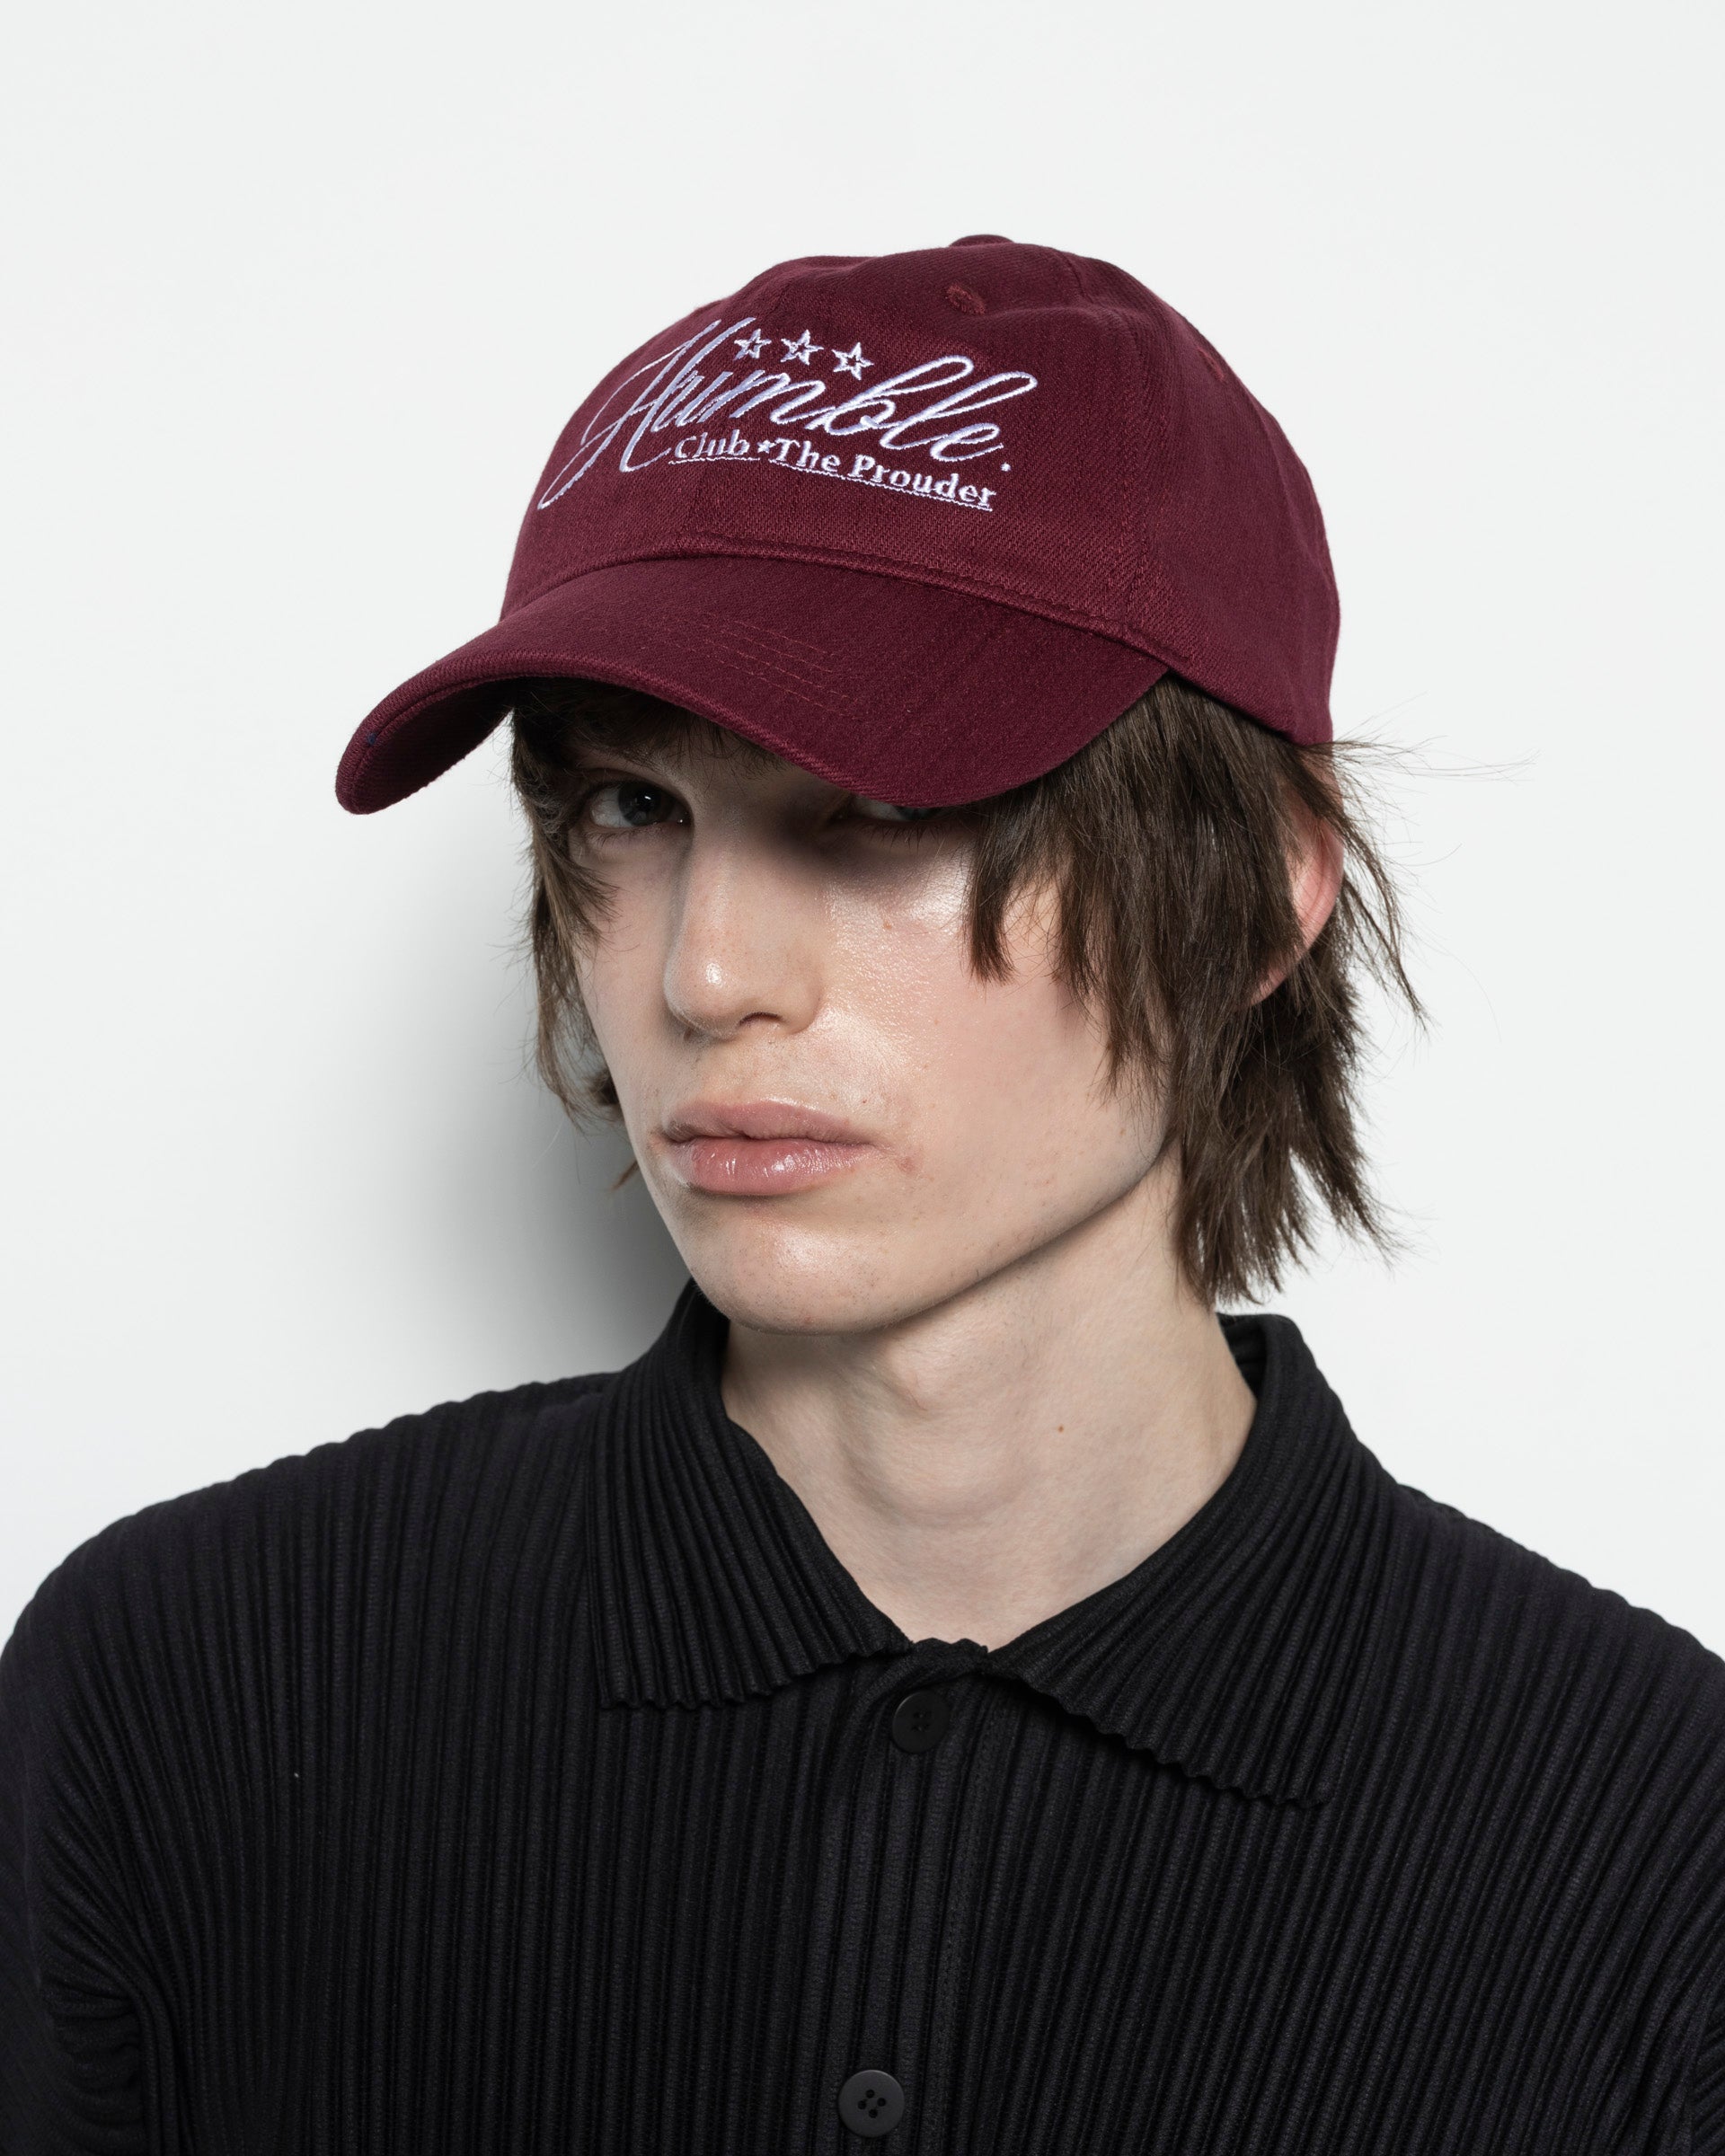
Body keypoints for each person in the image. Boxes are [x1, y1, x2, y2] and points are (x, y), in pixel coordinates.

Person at [3, 235, 1722, 2155]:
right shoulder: (192, 1687)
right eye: (630, 808)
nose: (704, 973)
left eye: (888, 807)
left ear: (1260, 892)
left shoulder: (1651, 1849)